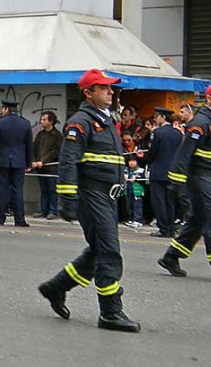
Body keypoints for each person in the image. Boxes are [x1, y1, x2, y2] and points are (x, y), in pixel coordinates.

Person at [38, 69, 140, 332]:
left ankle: (57, 286)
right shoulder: (81, 122)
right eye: (103, 88)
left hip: (107, 196)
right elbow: (68, 162)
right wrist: (68, 199)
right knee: (109, 251)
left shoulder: (105, 120)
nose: (110, 92)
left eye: (110, 88)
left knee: (99, 250)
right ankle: (110, 312)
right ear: (88, 93)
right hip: (91, 195)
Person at [157, 83, 211, 284]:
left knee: (197, 221)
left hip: (210, 176)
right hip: (200, 177)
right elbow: (184, 153)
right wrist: (176, 182)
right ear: (209, 98)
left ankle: (171, 257)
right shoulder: (201, 123)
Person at [0, 99, 33, 227]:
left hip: (2, 160)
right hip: (19, 161)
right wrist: (28, 163)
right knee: (18, 190)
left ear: (6, 109)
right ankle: (19, 219)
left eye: (2, 109)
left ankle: (0, 218)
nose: (2, 111)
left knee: (2, 190)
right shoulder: (25, 124)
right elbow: (29, 145)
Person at [141, 107, 182, 237]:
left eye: (157, 117)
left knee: (159, 202)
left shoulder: (157, 133)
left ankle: (163, 228)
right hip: (172, 172)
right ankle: (170, 227)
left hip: (158, 171)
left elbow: (152, 152)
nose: (155, 119)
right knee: (170, 202)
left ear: (163, 117)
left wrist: (146, 159)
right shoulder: (178, 133)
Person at [31, 111, 62, 220]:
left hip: (52, 167)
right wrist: (35, 161)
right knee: (43, 190)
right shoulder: (40, 134)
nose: (41, 122)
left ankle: (53, 211)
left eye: (44, 120)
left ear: (51, 121)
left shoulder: (57, 136)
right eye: (41, 119)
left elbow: (55, 152)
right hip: (40, 167)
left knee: (52, 190)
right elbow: (35, 149)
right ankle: (44, 210)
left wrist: (43, 161)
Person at [123, 154, 146, 228]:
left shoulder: (141, 170)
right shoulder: (125, 169)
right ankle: (130, 219)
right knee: (129, 205)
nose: (131, 163)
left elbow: (143, 177)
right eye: (130, 161)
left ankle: (138, 220)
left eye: (133, 161)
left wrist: (136, 178)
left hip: (137, 191)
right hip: (128, 190)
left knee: (137, 206)